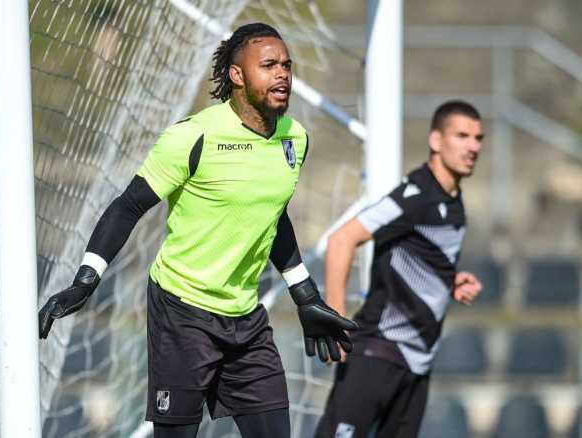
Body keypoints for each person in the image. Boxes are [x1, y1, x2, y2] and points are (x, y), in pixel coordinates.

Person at [37, 22, 358, 438]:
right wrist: (84, 281)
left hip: (246, 317)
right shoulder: (193, 136)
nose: (282, 73)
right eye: (268, 65)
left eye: (286, 65)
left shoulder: (294, 138)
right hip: (181, 311)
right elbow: (127, 206)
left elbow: (272, 216)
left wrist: (305, 295)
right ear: (238, 75)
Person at [315, 100, 485, 438]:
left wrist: (450, 281)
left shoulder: (454, 202)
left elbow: (418, 254)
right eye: (462, 136)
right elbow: (341, 240)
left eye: (479, 138)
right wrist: (335, 315)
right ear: (436, 140)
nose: (473, 147)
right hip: (377, 354)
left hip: (417, 366)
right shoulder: (414, 195)